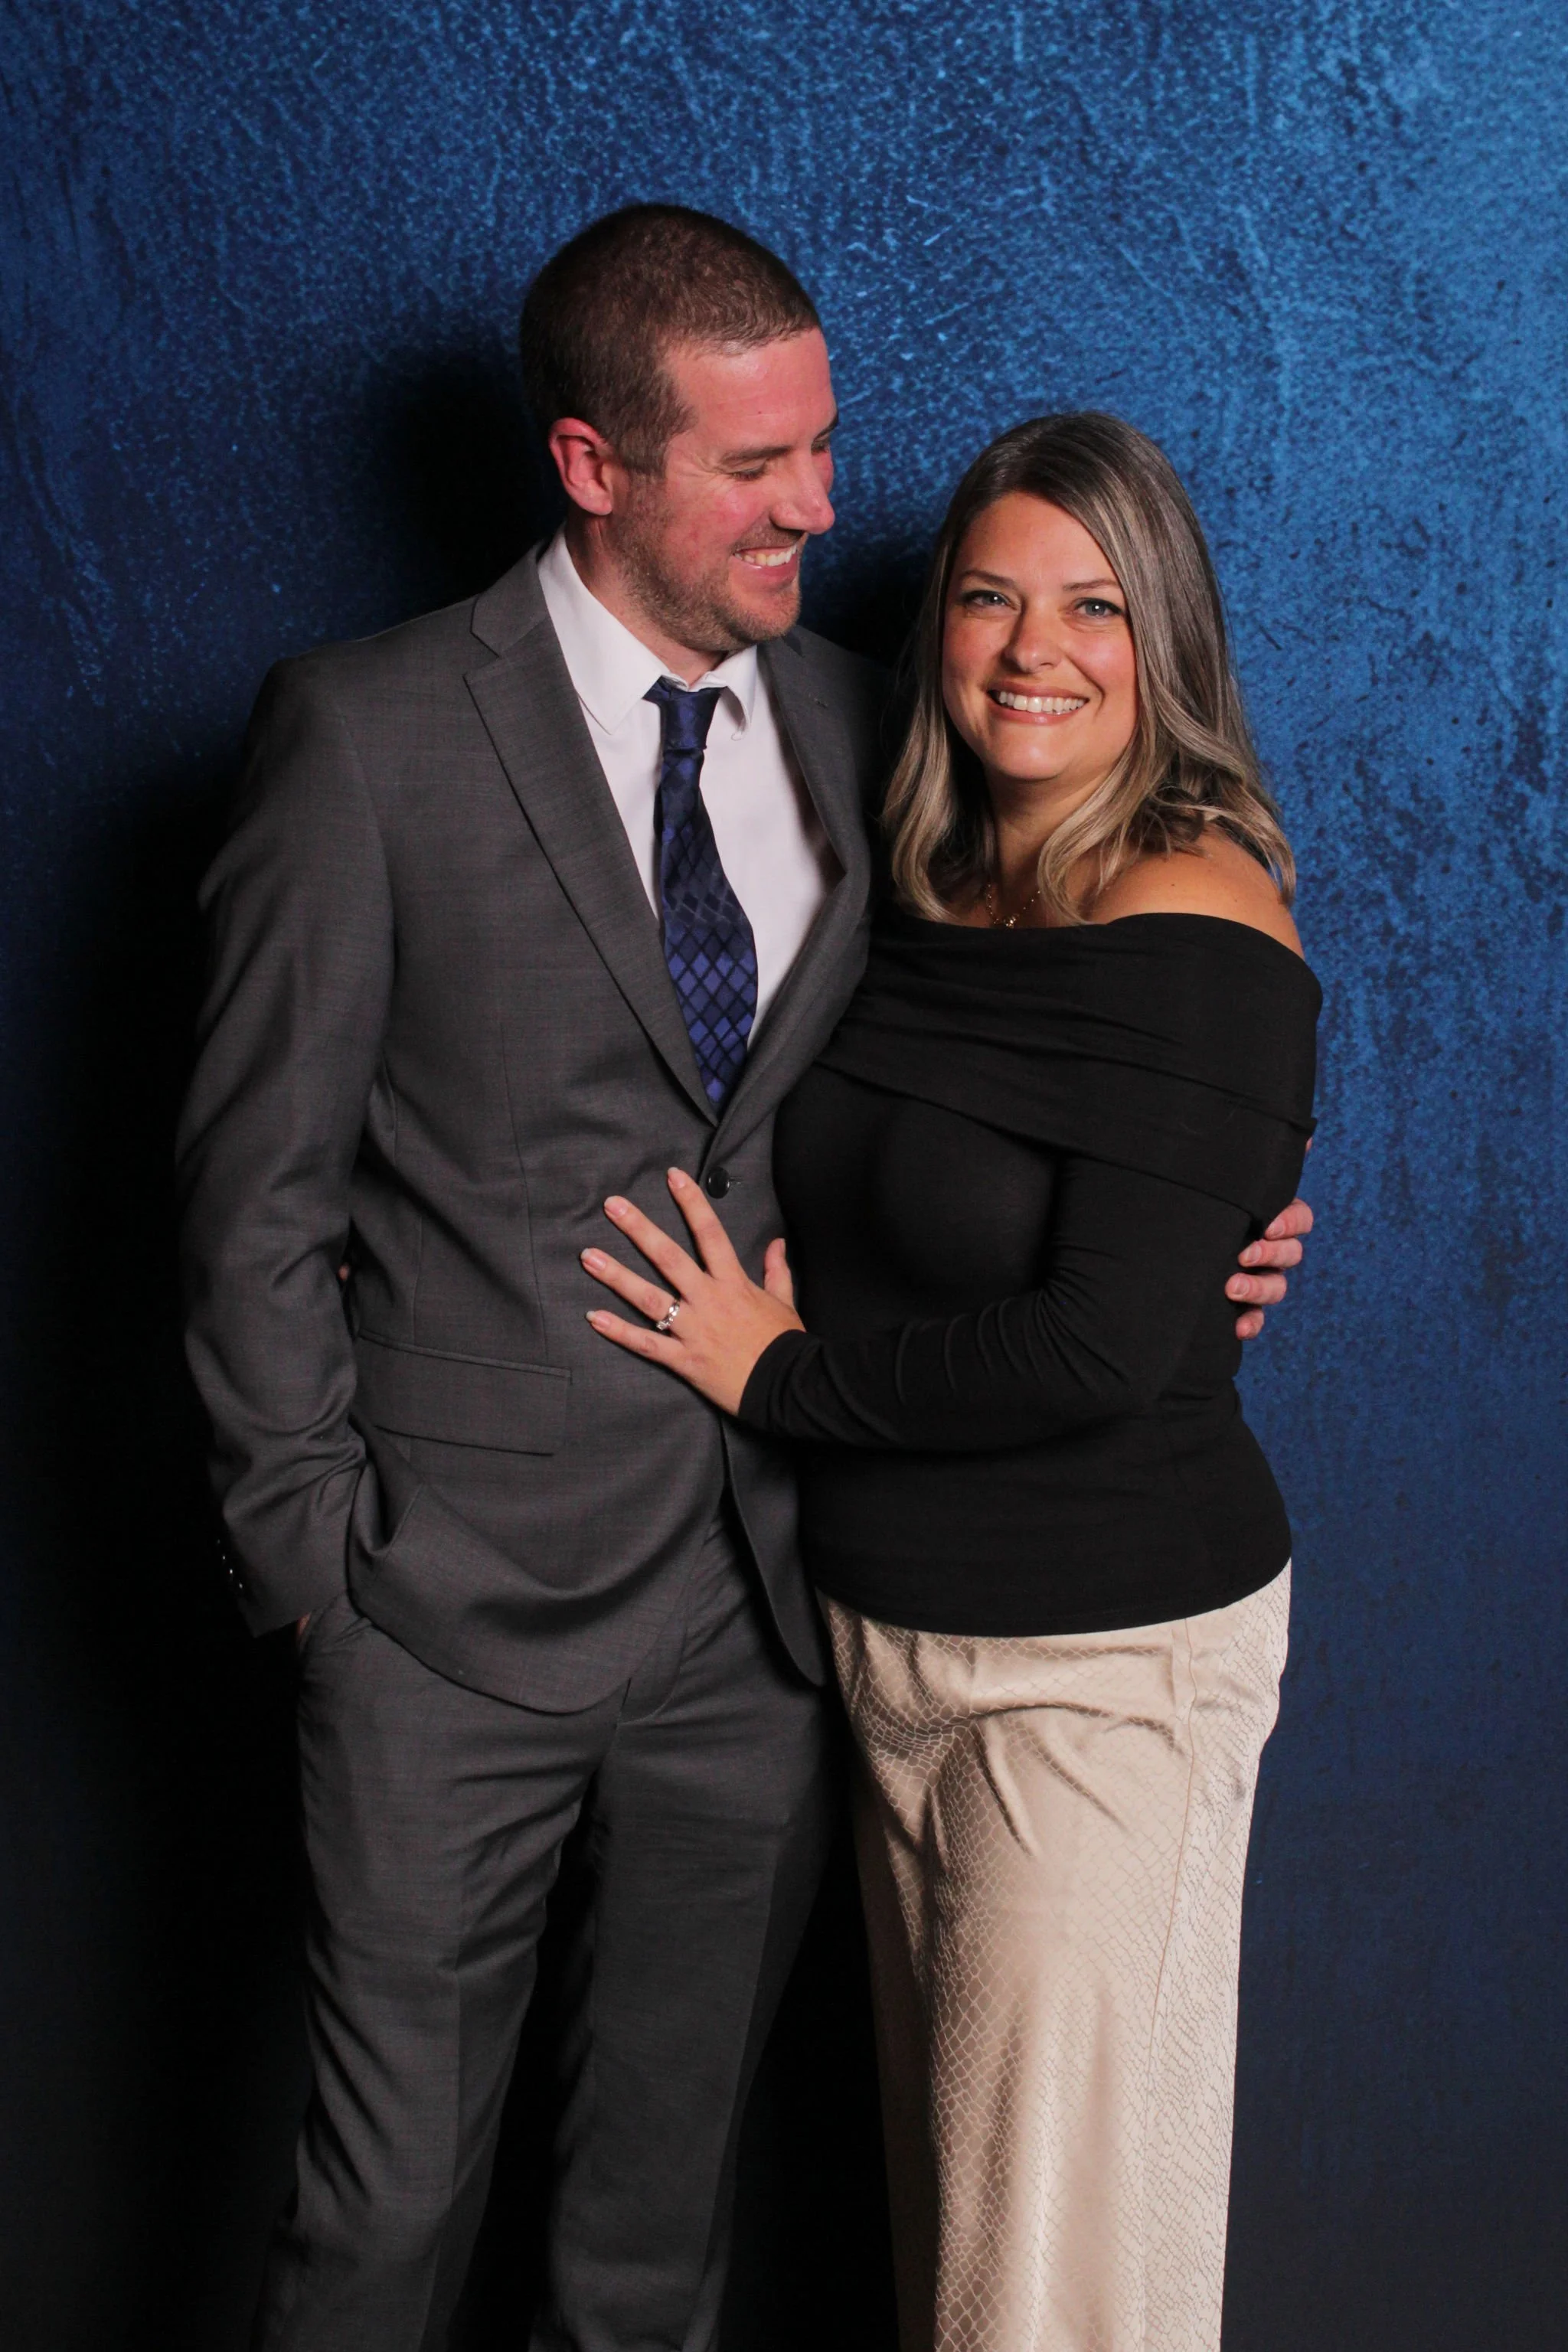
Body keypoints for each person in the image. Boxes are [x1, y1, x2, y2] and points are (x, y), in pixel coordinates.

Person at [178, 196, 1308, 2352]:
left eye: (820, 447)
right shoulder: (367, 736)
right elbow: (250, 1200)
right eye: (753, 466)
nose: (819, 503)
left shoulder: (879, 732)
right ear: (592, 466)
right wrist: (318, 1575)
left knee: (649, 2248)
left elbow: (1064, 1061)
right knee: (378, 2224)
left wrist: (1203, 1218)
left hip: (772, 1629)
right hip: (439, 1630)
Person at [581, 412, 1319, 2352]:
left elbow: (1093, 1346)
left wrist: (783, 1371)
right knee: (981, 2279)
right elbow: (993, 1221)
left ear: (1164, 644)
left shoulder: (1204, 921)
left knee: (1047, 2309)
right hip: (896, 1660)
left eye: (1092, 606)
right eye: (988, 598)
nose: (1030, 647)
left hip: (1093, 1681)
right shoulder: (922, 898)